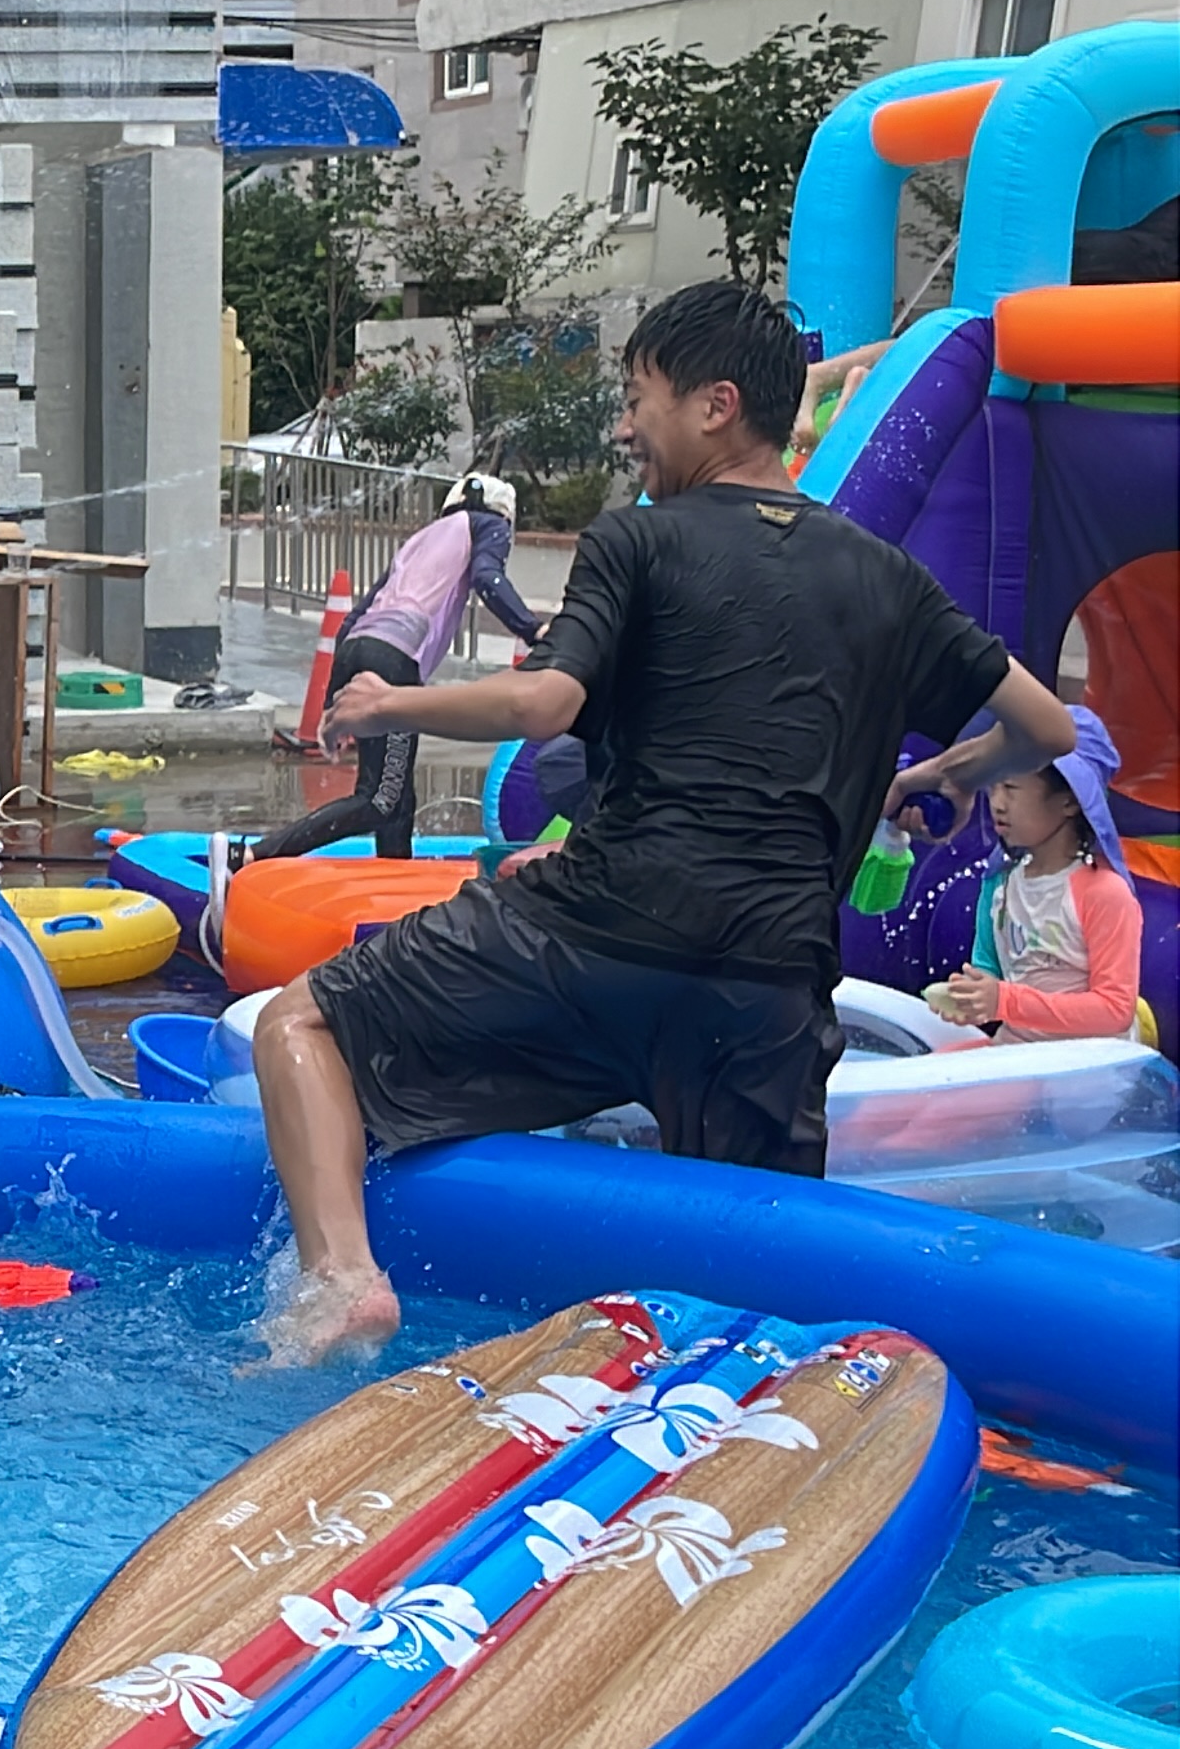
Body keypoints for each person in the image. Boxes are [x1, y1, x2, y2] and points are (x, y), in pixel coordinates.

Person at [246, 280, 1079, 1366]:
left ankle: (346, 1282)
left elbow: (547, 704)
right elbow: (1047, 727)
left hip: (594, 941)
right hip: (767, 991)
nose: (626, 426)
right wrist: (949, 772)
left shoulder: (639, 542)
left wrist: (390, 702)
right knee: (745, 1311)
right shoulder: (889, 575)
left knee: (300, 1026)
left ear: (715, 404)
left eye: (640, 398)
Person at [249, 474, 542, 865]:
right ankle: (252, 855)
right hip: (392, 663)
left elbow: (353, 619)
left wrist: (333, 703)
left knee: (398, 796)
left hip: (357, 650)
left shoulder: (423, 538)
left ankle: (394, 874)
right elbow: (488, 577)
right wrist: (534, 629)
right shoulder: (489, 524)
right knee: (381, 798)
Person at [936, 707, 1146, 1044]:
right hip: (1021, 1047)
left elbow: (1115, 1010)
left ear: (1070, 802)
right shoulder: (1001, 883)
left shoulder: (1104, 893)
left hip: (1087, 1061)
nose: (997, 803)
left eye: (1011, 787)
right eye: (993, 787)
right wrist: (970, 999)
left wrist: (1005, 1001)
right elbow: (989, 971)